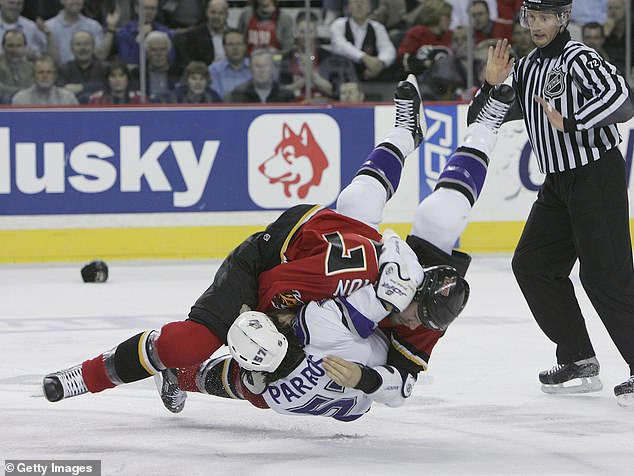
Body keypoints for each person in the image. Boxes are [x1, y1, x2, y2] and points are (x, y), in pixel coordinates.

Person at [42, 72, 518, 411]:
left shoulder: (427, 311)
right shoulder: (355, 261)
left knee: (287, 383)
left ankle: (479, 126)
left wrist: (363, 378)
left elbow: (402, 385)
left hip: (324, 315)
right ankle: (420, 130)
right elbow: (300, 235)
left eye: (421, 319)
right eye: (414, 309)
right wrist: (276, 317)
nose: (413, 321)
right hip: (270, 272)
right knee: (368, 200)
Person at [469, 0, 634, 405]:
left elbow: (623, 100)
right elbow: (482, 118)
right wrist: (491, 84)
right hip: (559, 183)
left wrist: (573, 121)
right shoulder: (525, 67)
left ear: (563, 19)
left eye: (547, 17)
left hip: (596, 174)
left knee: (605, 277)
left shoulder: (579, 57)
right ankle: (579, 357)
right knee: (533, 265)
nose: (538, 25)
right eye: (532, 17)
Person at [279, 11, 357, 102]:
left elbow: (336, 91)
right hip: (293, 107)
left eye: (310, 31)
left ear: (316, 33)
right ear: (295, 33)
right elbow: (280, 92)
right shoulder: (287, 58)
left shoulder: (329, 58)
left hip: (323, 107)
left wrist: (312, 76)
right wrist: (304, 81)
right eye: (302, 32)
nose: (306, 36)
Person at [330, 0, 396, 81]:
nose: (359, 6)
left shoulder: (377, 27)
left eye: (363, 2)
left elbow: (388, 49)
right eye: (355, 2)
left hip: (371, 78)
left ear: (369, 8)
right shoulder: (339, 24)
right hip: (343, 77)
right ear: (348, 8)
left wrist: (379, 64)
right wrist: (364, 58)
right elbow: (339, 45)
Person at [172, 0, 229, 73]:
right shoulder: (192, 36)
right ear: (206, 13)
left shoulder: (233, 36)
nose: (216, 17)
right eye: (212, 12)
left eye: (220, 13)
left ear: (227, 15)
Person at [45, 0, 104, 65]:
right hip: (59, 73)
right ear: (62, 1)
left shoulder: (94, 26)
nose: (75, 1)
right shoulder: (48, 27)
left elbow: (99, 56)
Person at [225, 48, 294, 103]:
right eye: (258, 66)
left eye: (265, 65)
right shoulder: (238, 94)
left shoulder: (286, 95)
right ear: (251, 69)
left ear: (272, 68)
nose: (262, 70)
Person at [57, 29, 108, 104]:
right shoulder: (63, 69)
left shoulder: (105, 68)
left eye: (86, 44)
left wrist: (81, 87)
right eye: (78, 44)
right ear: (71, 49)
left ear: (93, 47)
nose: (82, 48)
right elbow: (61, 91)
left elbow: (109, 87)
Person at [133, 29, 179, 103]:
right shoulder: (137, 74)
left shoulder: (178, 72)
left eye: (163, 49)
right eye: (154, 50)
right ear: (147, 53)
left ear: (168, 51)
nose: (158, 54)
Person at [11, 55, 79, 104]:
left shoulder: (68, 98)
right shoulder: (20, 99)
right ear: (33, 76)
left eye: (49, 72)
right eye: (40, 72)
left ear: (55, 76)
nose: (45, 76)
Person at [208, 28, 251, 100]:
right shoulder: (213, 70)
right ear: (224, 47)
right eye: (230, 44)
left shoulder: (255, 68)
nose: (235, 48)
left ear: (245, 46)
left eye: (239, 44)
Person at [0, 29, 34, 103]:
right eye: (10, 45)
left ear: (25, 47)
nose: (14, 50)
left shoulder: (33, 68)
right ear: (3, 47)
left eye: (19, 46)